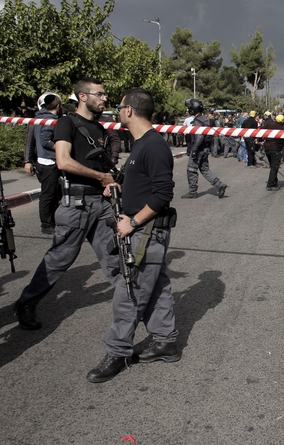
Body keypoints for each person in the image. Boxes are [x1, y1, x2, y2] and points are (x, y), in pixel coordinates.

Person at [87, 88, 180, 383]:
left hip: (146, 231)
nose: (116, 111)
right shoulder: (143, 144)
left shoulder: (152, 145)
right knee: (157, 285)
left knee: (131, 292)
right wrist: (119, 188)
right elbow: (145, 185)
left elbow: (163, 194)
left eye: (119, 107)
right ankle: (165, 341)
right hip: (144, 230)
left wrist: (133, 222)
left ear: (128, 110)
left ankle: (118, 351)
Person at [13, 77, 121, 330]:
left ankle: (134, 299)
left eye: (105, 94)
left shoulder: (100, 128)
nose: (104, 98)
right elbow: (63, 161)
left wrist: (108, 180)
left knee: (112, 256)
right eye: (100, 94)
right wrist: (100, 177)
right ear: (82, 96)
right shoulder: (66, 123)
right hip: (77, 203)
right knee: (60, 257)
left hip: (100, 201)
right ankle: (27, 302)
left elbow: (98, 164)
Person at [30, 92, 64, 234]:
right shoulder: (49, 120)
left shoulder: (41, 118)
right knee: (48, 195)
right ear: (57, 106)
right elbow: (45, 141)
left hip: (45, 161)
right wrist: (61, 148)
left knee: (54, 194)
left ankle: (53, 222)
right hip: (48, 162)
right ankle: (46, 224)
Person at [182, 99, 227, 199]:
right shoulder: (205, 119)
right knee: (205, 169)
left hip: (198, 149)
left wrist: (194, 149)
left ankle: (192, 192)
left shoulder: (198, 121)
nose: (189, 109)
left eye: (190, 108)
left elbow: (199, 136)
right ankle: (219, 185)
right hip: (205, 148)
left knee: (191, 169)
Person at [263, 114, 284, 191]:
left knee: (273, 166)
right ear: (282, 121)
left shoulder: (270, 124)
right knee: (274, 167)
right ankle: (270, 185)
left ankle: (275, 183)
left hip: (267, 147)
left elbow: (260, 131)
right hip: (276, 149)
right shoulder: (282, 128)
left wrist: (259, 140)